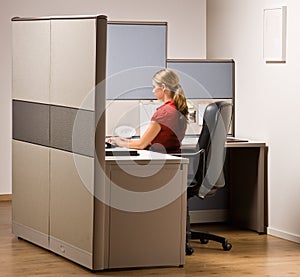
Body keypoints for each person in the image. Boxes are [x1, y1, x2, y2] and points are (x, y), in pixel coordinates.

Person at [108, 68, 189, 154]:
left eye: (154, 87)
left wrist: (118, 142)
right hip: (172, 158)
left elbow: (141, 145)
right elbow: (147, 142)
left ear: (163, 87)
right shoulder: (176, 107)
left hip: (161, 159)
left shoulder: (164, 113)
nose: (153, 91)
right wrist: (124, 141)